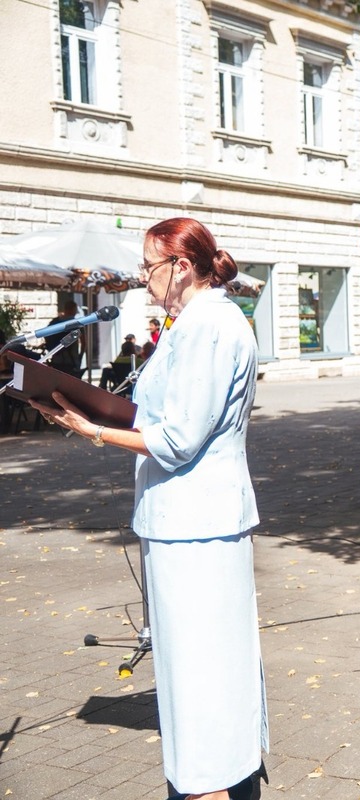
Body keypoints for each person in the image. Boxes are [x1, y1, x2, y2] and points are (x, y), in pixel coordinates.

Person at [32, 218, 268, 800]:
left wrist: (92, 429)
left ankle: (209, 784)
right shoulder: (195, 322)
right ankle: (212, 777)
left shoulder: (208, 325)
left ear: (182, 266)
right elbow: (157, 415)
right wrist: (97, 407)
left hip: (196, 521)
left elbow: (178, 438)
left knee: (199, 664)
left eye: (148, 267)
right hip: (187, 517)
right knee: (199, 660)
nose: (143, 279)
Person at [46, 300, 83, 377]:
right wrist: (80, 357)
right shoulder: (76, 324)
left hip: (56, 358)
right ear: (73, 310)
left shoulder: (55, 322)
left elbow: (47, 335)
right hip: (72, 360)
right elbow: (84, 342)